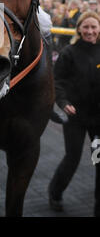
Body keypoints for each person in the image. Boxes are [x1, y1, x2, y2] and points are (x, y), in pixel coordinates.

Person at [48, 11, 100, 217]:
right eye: (86, 27)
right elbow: (57, 81)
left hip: (98, 120)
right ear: (79, 29)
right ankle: (55, 192)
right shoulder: (69, 52)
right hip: (76, 117)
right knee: (73, 157)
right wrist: (63, 101)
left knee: (99, 160)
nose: (90, 31)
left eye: (93, 27)